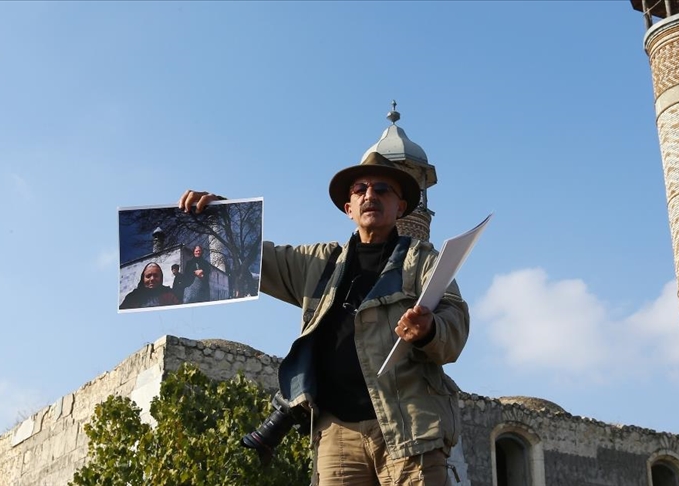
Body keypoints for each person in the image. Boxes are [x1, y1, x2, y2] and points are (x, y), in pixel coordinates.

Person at [178, 152, 469, 485]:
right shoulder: (317, 262)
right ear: (349, 208)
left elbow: (455, 325)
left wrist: (429, 328)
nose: (370, 195)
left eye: (383, 189)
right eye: (360, 189)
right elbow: (254, 259)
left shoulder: (422, 261)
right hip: (337, 435)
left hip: (409, 426)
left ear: (401, 207)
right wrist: (218, 215)